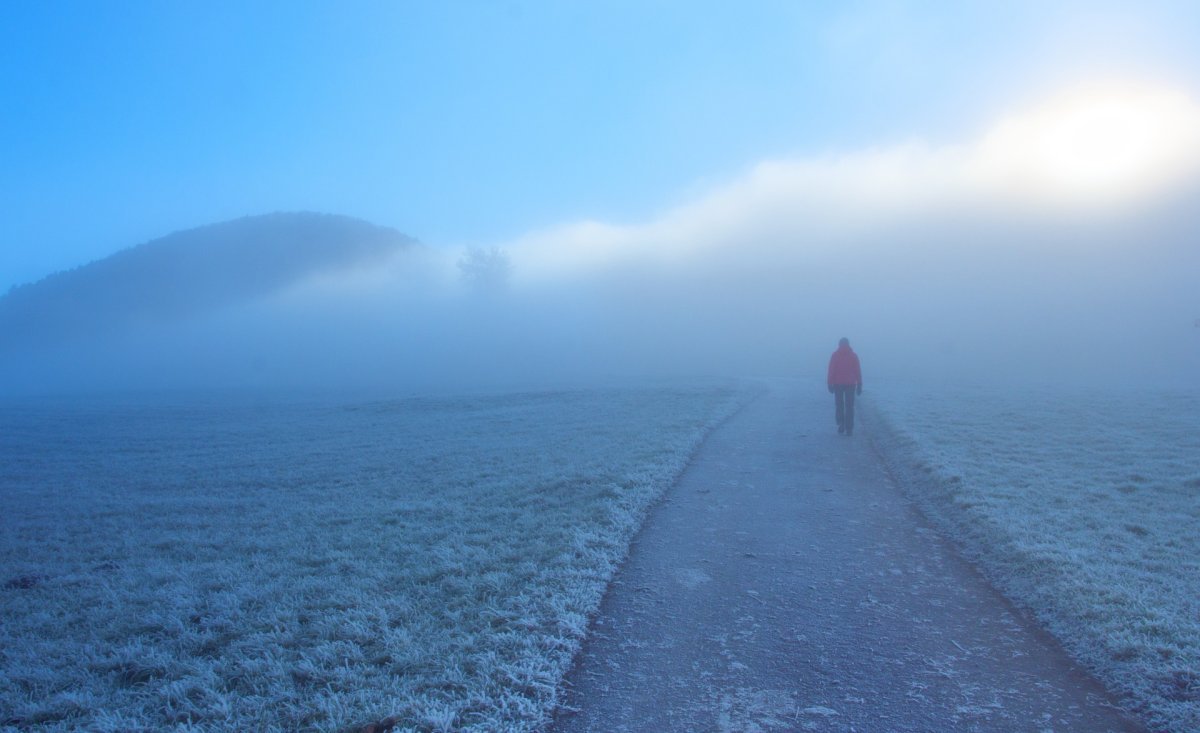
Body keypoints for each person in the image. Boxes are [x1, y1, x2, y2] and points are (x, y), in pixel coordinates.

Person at [827, 337, 863, 436]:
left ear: (839, 344)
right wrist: (859, 384)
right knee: (849, 406)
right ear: (848, 344)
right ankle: (849, 428)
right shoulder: (853, 356)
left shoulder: (835, 355)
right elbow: (857, 371)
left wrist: (829, 383)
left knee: (839, 405)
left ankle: (841, 423)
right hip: (851, 384)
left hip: (838, 384)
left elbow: (831, 370)